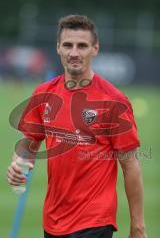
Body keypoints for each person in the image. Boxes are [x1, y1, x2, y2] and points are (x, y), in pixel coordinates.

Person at [7, 15, 147, 238]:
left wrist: (138, 227)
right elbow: (29, 144)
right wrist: (19, 162)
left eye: (82, 46)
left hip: (94, 221)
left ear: (95, 49)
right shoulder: (43, 94)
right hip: (53, 219)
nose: (74, 53)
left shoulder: (114, 101)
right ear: (58, 48)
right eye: (68, 45)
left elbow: (131, 166)